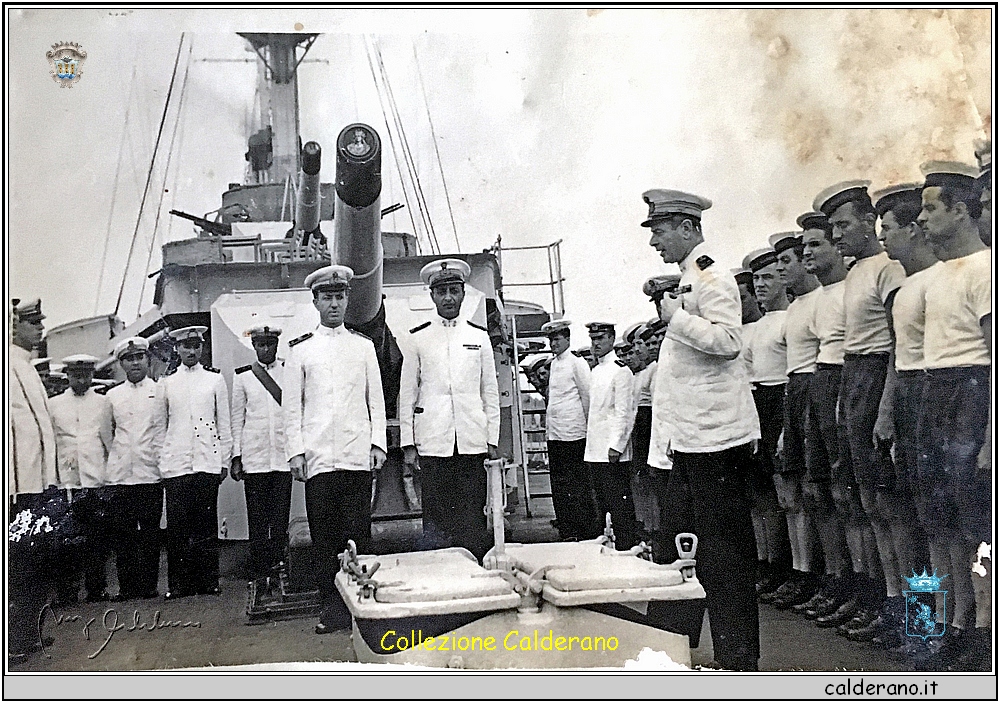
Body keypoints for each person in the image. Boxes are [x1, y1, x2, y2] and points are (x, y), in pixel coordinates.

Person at [642, 188, 761, 671]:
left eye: (660, 230)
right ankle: (672, 650)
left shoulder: (712, 276)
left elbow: (730, 341)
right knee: (682, 548)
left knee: (724, 559)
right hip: (690, 439)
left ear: (688, 228)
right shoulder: (691, 277)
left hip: (716, 440)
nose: (654, 241)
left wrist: (677, 319)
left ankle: (738, 662)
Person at [815, 180, 908, 636]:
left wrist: (886, 408)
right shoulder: (856, 272)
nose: (836, 235)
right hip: (852, 381)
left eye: (843, 224)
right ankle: (881, 600)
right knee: (865, 504)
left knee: (889, 505)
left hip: (877, 382)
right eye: (831, 227)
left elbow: (898, 344)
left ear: (870, 222)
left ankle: (912, 612)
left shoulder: (888, 269)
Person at [912, 162, 991, 671]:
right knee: (936, 522)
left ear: (960, 210)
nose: (920, 218)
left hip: (971, 394)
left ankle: (984, 629)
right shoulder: (935, 277)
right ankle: (952, 622)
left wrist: (990, 438)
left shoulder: (987, 269)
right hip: (933, 393)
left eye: (930, 208)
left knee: (976, 526)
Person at [283, 265, 387, 634]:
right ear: (315, 301)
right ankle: (331, 608)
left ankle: (362, 607)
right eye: (327, 297)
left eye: (340, 297)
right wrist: (296, 452)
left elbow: (376, 400)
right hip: (319, 458)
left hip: (356, 454)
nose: (334, 304)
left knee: (358, 532)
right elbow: (292, 407)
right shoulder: (300, 351)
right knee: (324, 537)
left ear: (347, 299)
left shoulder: (362, 346)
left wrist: (377, 444)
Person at [799, 210, 876, 629]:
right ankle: (848, 585)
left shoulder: (857, 283)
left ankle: (875, 595)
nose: (809, 251)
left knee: (866, 501)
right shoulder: (819, 298)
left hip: (852, 381)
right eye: (806, 244)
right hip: (825, 382)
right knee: (836, 497)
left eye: (817, 243)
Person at [872, 183, 939, 650]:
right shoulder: (906, 289)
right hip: (910, 404)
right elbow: (898, 358)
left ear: (914, 229)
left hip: (942, 400)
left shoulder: (943, 279)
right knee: (911, 519)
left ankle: (956, 625)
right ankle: (920, 623)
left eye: (889, 230)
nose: (883, 240)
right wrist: (886, 413)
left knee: (942, 526)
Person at [399, 258, 500, 561]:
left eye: (454, 291)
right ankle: (439, 576)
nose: (448, 298)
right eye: (442, 292)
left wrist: (492, 438)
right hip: (434, 440)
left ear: (463, 294)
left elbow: (490, 392)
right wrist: (408, 444)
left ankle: (476, 578)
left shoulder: (478, 337)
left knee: (472, 515)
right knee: (437, 518)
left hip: (471, 438)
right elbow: (408, 394)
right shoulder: (418, 338)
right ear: (432, 296)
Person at [771, 230, 849, 622]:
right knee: (815, 493)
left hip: (829, 385)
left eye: (792, 259)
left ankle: (854, 585)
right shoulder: (799, 306)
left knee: (851, 498)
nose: (788, 265)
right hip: (804, 389)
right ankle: (829, 579)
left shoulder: (835, 293)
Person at [741, 248, 800, 607]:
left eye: (767, 278)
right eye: (757, 280)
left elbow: (794, 372)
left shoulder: (789, 319)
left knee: (790, 495)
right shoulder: (757, 327)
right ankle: (770, 565)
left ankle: (795, 571)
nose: (761, 285)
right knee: (764, 495)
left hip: (784, 401)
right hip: (758, 404)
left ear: (782, 280)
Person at [156, 325, 232, 599]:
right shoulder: (166, 383)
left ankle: (208, 581)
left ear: (201, 348)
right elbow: (159, 428)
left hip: (206, 461)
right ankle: (178, 584)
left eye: (196, 345)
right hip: (176, 464)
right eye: (185, 346)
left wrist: (223, 460)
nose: (191, 351)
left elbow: (224, 423)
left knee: (206, 523)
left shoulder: (214, 380)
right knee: (177, 526)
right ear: (177, 348)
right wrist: (162, 462)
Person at [8, 299, 60, 661]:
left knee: (36, 562)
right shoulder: (8, 366)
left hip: (36, 486)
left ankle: (31, 634)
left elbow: (42, 431)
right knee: (20, 565)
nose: (39, 329)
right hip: (17, 489)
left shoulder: (24, 366)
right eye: (32, 324)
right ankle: (15, 641)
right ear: (13, 327)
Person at [48, 354, 114, 604]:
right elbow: (54, 442)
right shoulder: (54, 405)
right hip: (68, 481)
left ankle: (97, 590)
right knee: (68, 541)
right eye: (76, 375)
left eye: (86, 375)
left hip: (95, 479)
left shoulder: (103, 402)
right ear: (67, 376)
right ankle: (67, 592)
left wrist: (109, 476)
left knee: (96, 540)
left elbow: (108, 440)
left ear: (91, 375)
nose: (81, 380)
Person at [105, 337, 165, 601]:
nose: (135, 363)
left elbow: (162, 429)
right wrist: (117, 457)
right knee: (123, 535)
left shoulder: (159, 391)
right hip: (121, 475)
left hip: (150, 472)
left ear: (147, 359)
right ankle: (127, 587)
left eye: (139, 357)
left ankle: (149, 586)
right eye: (129, 359)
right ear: (122, 364)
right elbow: (107, 434)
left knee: (150, 534)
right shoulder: (112, 396)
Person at [231, 324, 291, 587]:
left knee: (280, 518)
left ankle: (280, 566)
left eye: (270, 344)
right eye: (260, 345)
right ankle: (259, 569)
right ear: (253, 346)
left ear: (276, 345)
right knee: (257, 518)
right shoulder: (244, 377)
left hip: (281, 456)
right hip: (254, 457)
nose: (266, 349)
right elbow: (237, 419)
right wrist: (236, 456)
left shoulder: (289, 372)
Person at [540, 319, 597, 541]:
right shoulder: (553, 364)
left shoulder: (577, 363)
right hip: (555, 433)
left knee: (577, 484)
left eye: (556, 339)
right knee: (560, 483)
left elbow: (586, 396)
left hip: (574, 432)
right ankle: (567, 527)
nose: (553, 344)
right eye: (551, 340)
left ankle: (583, 529)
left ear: (567, 339)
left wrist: (585, 426)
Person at [583, 321, 638, 549]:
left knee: (619, 503)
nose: (596, 344)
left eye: (601, 339)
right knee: (602, 501)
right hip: (595, 448)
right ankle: (609, 544)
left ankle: (626, 546)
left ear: (612, 339)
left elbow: (625, 411)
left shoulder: (621, 371)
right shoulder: (595, 371)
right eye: (593, 339)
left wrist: (617, 445)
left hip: (611, 450)